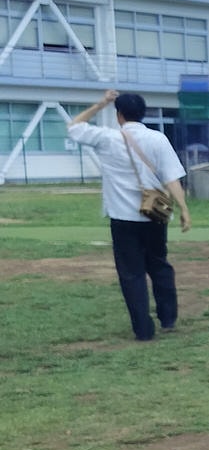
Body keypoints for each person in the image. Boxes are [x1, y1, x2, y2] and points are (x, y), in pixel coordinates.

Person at [67, 91, 190, 341]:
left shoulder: (108, 138)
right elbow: (171, 177)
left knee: (131, 274)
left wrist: (101, 103)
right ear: (143, 113)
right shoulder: (157, 139)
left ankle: (143, 330)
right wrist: (184, 209)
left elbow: (74, 127)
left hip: (122, 218)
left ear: (119, 114)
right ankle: (168, 318)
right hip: (154, 214)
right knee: (160, 266)